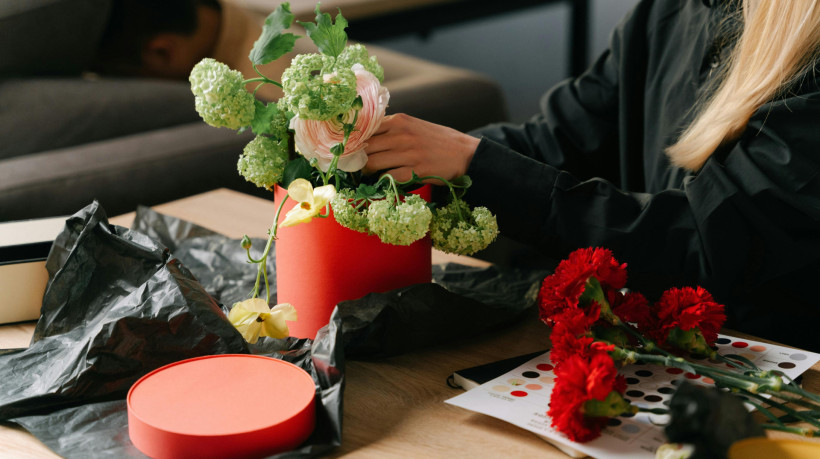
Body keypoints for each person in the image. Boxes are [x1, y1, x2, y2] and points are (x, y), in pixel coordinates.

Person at [363, 0, 820, 352]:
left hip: (770, 365)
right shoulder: (675, 9)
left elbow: (705, 247)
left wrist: (472, 163)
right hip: (651, 341)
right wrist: (419, 162)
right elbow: (561, 139)